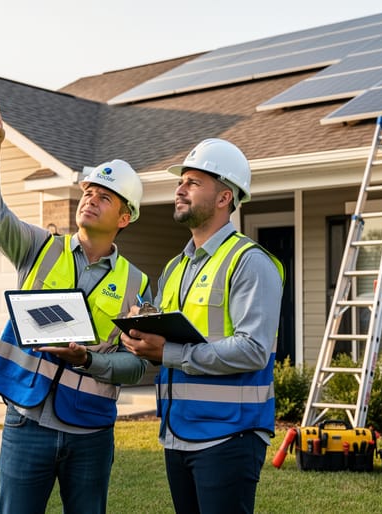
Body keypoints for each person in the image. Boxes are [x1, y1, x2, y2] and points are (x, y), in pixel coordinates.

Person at [0, 92, 151, 514]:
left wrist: (89, 362)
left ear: (124, 218)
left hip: (90, 430)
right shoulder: (38, 248)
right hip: (25, 421)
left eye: (105, 196)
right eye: (89, 191)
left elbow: (138, 365)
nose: (91, 198)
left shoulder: (137, 285)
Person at [121, 138, 284, 514]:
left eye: (193, 182)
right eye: (181, 182)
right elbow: (171, 340)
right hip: (179, 433)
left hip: (229, 435)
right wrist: (141, 333)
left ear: (225, 197)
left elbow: (253, 349)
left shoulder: (250, 262)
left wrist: (169, 352)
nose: (180, 189)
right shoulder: (176, 267)